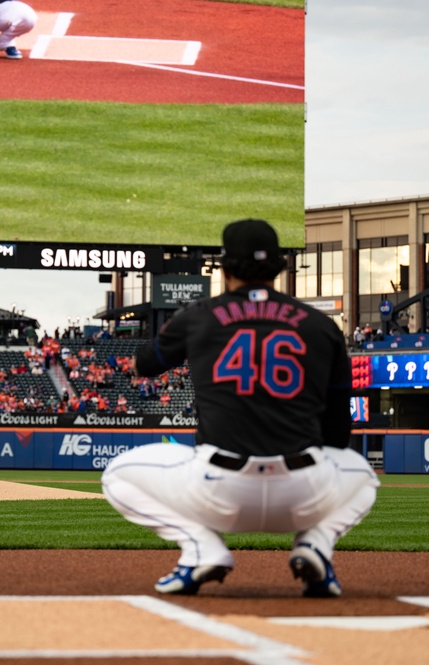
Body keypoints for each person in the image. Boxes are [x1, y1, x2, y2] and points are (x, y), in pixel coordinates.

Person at [101, 218, 379, 597]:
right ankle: (315, 544)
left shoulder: (199, 315)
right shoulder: (320, 325)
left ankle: (202, 549)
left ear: (225, 268)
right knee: (364, 475)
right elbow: (337, 424)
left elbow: (144, 365)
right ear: (279, 268)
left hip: (219, 490)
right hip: (302, 491)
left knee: (116, 475)